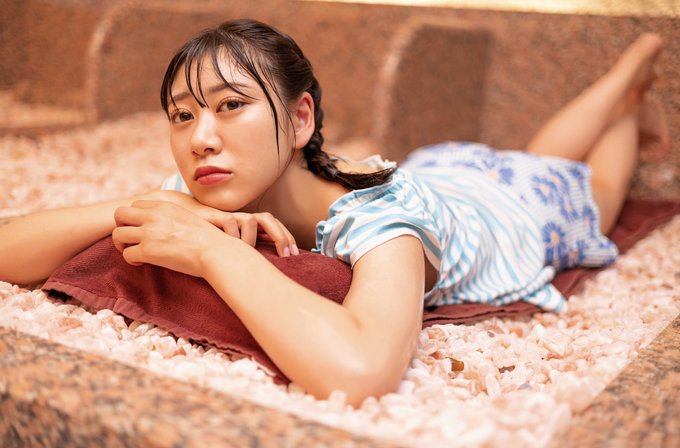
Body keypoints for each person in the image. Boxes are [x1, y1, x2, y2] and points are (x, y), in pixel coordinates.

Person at [0, 19, 666, 406]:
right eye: (181, 115)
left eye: (231, 106)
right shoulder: (212, 180)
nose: (200, 137)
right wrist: (149, 206)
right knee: (529, 155)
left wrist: (210, 250)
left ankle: (628, 92)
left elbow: (361, 370)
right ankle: (623, 88)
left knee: (595, 186)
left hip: (517, 213)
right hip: (442, 170)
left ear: (300, 120)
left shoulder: (380, 216)